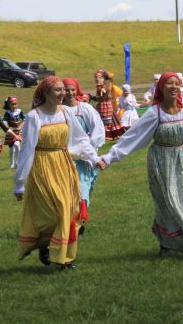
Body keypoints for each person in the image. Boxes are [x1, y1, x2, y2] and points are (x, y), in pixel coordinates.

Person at [101, 73, 183, 258]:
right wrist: (109, 157)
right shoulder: (155, 112)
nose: (174, 87)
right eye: (169, 84)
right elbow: (133, 136)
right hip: (161, 161)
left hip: (181, 159)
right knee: (168, 202)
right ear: (161, 87)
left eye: (177, 84)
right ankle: (168, 244)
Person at [14, 77, 104, 269]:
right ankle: (46, 244)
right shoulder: (34, 117)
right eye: (57, 90)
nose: (62, 93)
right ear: (45, 93)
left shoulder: (66, 113)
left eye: (63, 89)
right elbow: (27, 150)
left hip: (64, 165)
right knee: (56, 211)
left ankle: (64, 258)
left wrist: (95, 159)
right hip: (43, 167)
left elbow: (80, 139)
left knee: (70, 211)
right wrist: (20, 183)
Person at [62, 78, 106, 235]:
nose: (70, 93)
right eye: (66, 89)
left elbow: (98, 129)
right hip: (65, 158)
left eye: (72, 89)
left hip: (85, 158)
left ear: (77, 90)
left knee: (83, 189)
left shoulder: (85, 109)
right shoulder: (59, 110)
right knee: (68, 191)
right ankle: (72, 222)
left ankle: (79, 221)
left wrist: (88, 150)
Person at [91, 73, 124, 140]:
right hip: (102, 104)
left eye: (100, 77)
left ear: (104, 79)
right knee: (104, 119)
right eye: (96, 77)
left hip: (105, 104)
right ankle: (109, 134)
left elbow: (104, 96)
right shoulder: (100, 86)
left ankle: (108, 135)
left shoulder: (105, 86)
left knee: (107, 120)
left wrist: (97, 98)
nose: (97, 79)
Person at [2, 96, 25, 169]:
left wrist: (20, 127)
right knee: (12, 149)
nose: (14, 106)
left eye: (15, 104)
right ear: (9, 105)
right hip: (10, 133)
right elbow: (4, 122)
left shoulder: (20, 111)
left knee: (17, 145)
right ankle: (11, 162)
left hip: (18, 132)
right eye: (12, 104)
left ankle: (18, 162)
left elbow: (24, 120)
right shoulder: (7, 113)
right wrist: (8, 128)